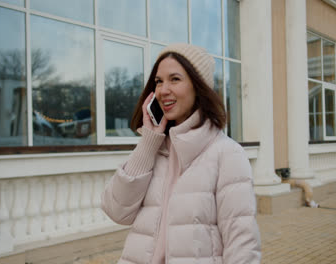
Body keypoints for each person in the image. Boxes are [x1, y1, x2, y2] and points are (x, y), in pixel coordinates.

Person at [101, 43, 261, 264]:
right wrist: (148, 142)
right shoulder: (153, 148)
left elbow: (242, 245)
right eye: (158, 81)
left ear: (199, 86)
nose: (163, 90)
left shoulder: (227, 154)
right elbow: (116, 211)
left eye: (175, 79)